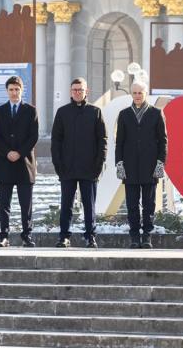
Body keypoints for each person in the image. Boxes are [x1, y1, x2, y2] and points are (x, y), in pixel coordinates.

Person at [51, 77, 107, 248]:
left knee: (89, 205)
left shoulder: (95, 112)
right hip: (67, 168)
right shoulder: (62, 112)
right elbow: (56, 141)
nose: (77, 92)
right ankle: (64, 237)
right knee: (66, 205)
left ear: (86, 91)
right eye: (74, 90)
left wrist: (99, 164)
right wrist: (58, 165)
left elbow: (102, 140)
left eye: (80, 90)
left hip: (89, 168)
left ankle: (90, 237)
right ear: (70, 91)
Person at [114, 81, 167, 249]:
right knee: (132, 204)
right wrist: (119, 163)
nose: (137, 96)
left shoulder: (156, 113)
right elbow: (119, 142)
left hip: (150, 167)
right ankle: (135, 236)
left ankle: (147, 236)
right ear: (131, 94)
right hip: (129, 167)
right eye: (135, 93)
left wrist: (160, 163)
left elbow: (163, 141)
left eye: (140, 93)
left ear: (145, 94)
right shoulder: (124, 114)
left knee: (148, 205)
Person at [0, 75, 39, 248]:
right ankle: (4, 236)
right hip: (5, 163)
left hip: (24, 163)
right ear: (7, 91)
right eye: (11, 89)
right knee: (4, 204)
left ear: (22, 90)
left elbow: (33, 136)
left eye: (17, 89)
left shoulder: (31, 111)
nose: (14, 92)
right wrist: (8, 152)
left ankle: (27, 236)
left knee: (26, 204)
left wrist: (19, 153)